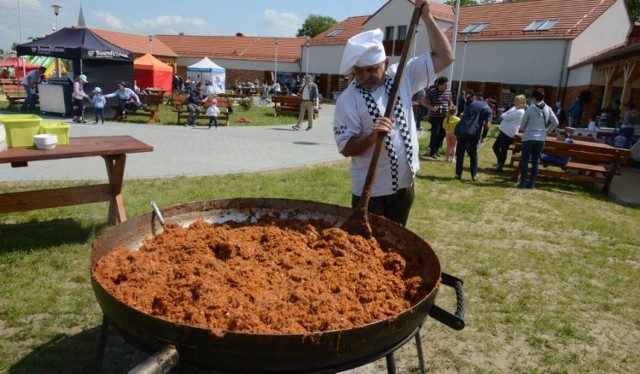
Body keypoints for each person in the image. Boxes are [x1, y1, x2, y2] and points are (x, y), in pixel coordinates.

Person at [333, 0, 454, 226]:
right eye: (359, 71)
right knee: (368, 249)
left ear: (385, 62)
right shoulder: (348, 99)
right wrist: (372, 136)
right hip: (371, 192)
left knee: (397, 241)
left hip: (404, 186)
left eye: (372, 69)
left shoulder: (402, 76)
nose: (365, 76)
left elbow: (445, 57)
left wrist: (427, 16)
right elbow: (346, 148)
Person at [518, 88, 559, 189]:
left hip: (529, 137)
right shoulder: (548, 108)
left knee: (525, 160)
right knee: (536, 161)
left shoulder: (530, 109)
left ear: (534, 98)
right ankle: (531, 183)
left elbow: (522, 126)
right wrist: (546, 131)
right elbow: (556, 123)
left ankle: (522, 182)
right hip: (541, 138)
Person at [454, 91, 492, 182]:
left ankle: (458, 174)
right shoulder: (488, 110)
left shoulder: (471, 105)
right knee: (473, 153)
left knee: (460, 153)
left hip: (463, 131)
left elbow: (463, 116)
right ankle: (473, 175)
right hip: (474, 133)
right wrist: (483, 137)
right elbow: (487, 125)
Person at [492, 94, 527, 172]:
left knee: (503, 150)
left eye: (517, 101)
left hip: (509, 133)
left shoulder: (521, 112)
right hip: (504, 131)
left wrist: (504, 114)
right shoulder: (514, 108)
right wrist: (504, 114)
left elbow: (506, 117)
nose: (515, 102)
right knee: (495, 147)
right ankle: (500, 162)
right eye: (515, 100)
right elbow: (505, 114)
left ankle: (500, 165)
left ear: (521, 102)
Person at [423, 76, 453, 160]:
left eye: (447, 85)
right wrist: (431, 108)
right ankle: (432, 151)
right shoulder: (432, 92)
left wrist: (451, 107)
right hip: (434, 117)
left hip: (444, 117)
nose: (446, 87)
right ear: (439, 85)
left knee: (442, 134)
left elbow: (450, 102)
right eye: (444, 85)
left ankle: (437, 150)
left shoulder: (448, 92)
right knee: (435, 133)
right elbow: (425, 102)